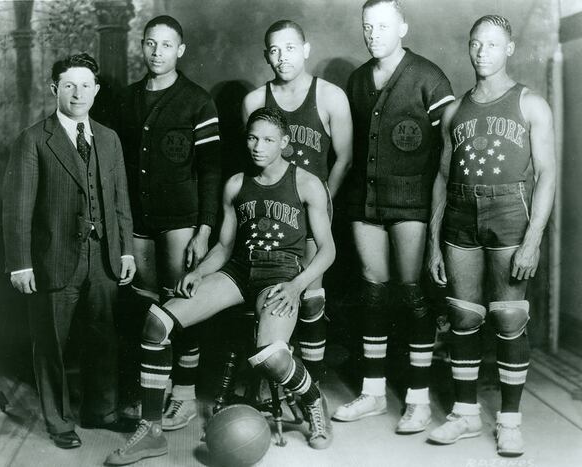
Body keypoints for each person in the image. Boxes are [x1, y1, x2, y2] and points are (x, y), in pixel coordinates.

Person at [105, 107, 336, 465]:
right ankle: (150, 432)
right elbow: (225, 247)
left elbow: (327, 250)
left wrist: (296, 286)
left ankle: (312, 399)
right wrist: (200, 272)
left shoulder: (306, 183)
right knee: (156, 324)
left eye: (269, 140)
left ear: (285, 143)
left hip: (281, 275)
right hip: (239, 271)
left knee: (272, 356)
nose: (258, 146)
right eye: (252, 138)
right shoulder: (235, 184)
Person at [426, 15, 555, 456]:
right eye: (476, 44)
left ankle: (510, 421)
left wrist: (534, 238)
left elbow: (548, 173)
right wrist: (432, 243)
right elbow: (441, 179)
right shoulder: (453, 111)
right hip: (460, 212)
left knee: (508, 315)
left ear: (510, 49)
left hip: (509, 210)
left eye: (492, 44)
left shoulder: (530, 103)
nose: (482, 52)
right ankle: (463, 415)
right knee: (463, 315)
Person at [332, 0, 454, 434]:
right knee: (372, 292)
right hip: (365, 203)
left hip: (413, 204)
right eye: (368, 26)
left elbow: (451, 149)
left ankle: (419, 400)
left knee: (410, 292)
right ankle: (372, 390)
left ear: (403, 25)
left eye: (383, 25)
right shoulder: (357, 79)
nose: (374, 33)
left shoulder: (429, 76)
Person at [2, 53, 136, 449]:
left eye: (85, 85)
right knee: (52, 346)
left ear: (96, 89)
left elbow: (119, 201)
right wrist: (19, 264)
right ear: (54, 89)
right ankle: (59, 423)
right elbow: (17, 208)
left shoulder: (109, 139)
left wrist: (126, 251)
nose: (78, 93)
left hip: (104, 259)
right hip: (53, 260)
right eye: (68, 85)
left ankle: (102, 411)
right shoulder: (33, 139)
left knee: (104, 338)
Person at [117, 15, 221, 430]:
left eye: (166, 44)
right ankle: (152, 391)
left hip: (181, 217)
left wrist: (205, 228)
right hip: (139, 215)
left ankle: (185, 394)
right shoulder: (125, 99)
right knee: (144, 301)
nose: (157, 52)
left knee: (180, 301)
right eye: (150, 43)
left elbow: (212, 171)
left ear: (180, 50)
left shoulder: (198, 101)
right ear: (142, 47)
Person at [242, 20, 353, 386]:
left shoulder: (330, 96)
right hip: (272, 215)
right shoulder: (255, 101)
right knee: (270, 297)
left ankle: (313, 385)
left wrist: (323, 202)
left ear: (306, 49)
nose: (282, 57)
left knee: (310, 298)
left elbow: (344, 157)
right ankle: (273, 380)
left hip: (313, 212)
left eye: (290, 48)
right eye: (274, 50)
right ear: (265, 55)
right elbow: (253, 161)